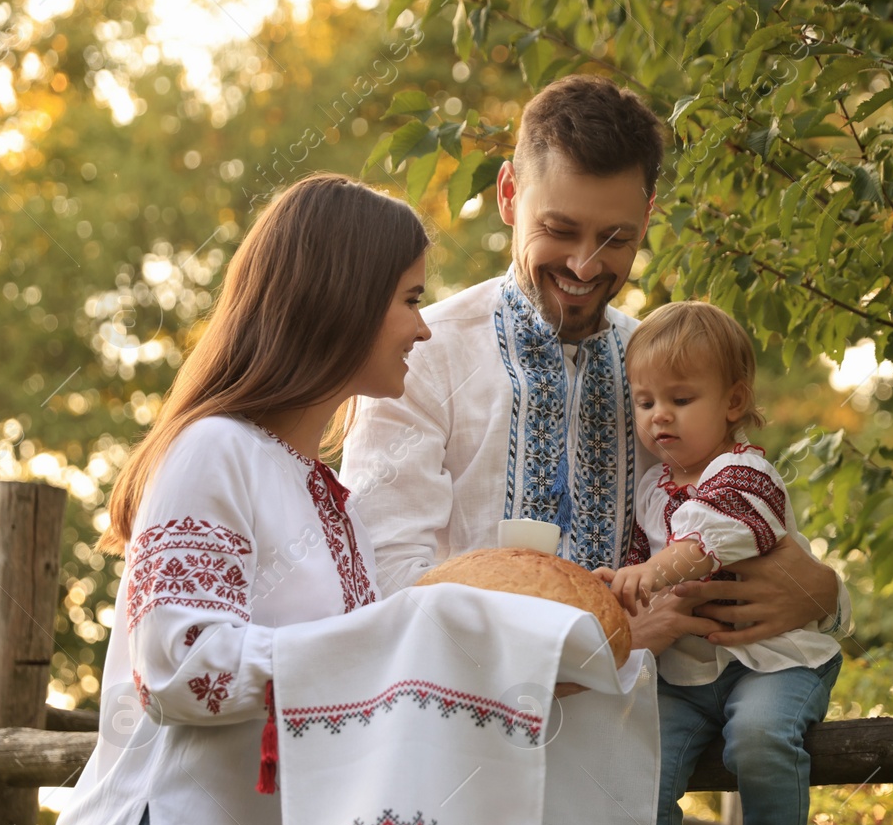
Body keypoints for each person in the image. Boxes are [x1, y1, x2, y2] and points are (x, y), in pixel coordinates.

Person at [47, 173, 431, 825]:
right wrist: (382, 645)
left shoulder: (331, 499)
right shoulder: (214, 450)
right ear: (342, 297)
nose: (423, 323)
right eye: (408, 297)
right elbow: (183, 668)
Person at [339, 75, 847, 660]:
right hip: (481, 735)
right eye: (559, 231)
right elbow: (383, 585)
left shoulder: (666, 373)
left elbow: (743, 509)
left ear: (648, 216)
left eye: (615, 238)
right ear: (509, 194)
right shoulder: (421, 359)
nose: (584, 265)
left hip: (654, 743)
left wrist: (827, 593)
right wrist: (607, 643)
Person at [594, 301, 841, 825]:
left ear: (734, 402)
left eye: (680, 398)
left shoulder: (746, 474)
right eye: (644, 401)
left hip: (775, 661)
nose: (658, 417)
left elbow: (711, 536)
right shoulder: (650, 488)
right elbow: (646, 560)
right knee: (637, 762)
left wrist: (655, 572)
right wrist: (622, 584)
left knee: (760, 737)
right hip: (694, 673)